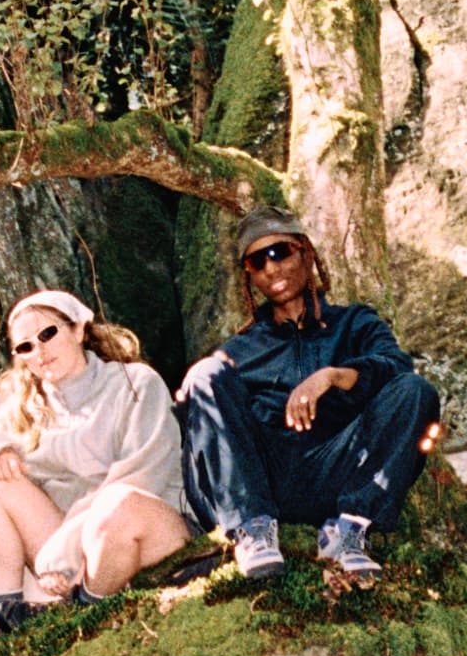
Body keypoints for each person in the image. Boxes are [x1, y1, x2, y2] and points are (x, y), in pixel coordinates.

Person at [177, 208, 442, 587]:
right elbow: (208, 437)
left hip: (340, 471)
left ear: (305, 253)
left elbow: (395, 367)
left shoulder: (354, 324)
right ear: (249, 277)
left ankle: (349, 531)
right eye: (257, 262)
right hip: (265, 482)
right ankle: (252, 530)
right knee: (204, 375)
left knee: (416, 391)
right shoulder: (239, 350)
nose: (271, 268)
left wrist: (332, 376)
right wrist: (196, 389)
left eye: (280, 252)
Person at [0, 290, 192, 631]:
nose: (40, 351)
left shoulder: (135, 382)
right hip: (67, 552)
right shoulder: (25, 408)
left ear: (78, 329)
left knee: (118, 503)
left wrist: (69, 544)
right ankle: (7, 621)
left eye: (48, 334)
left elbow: (144, 474)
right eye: (25, 346)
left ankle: (83, 616)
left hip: (145, 531)